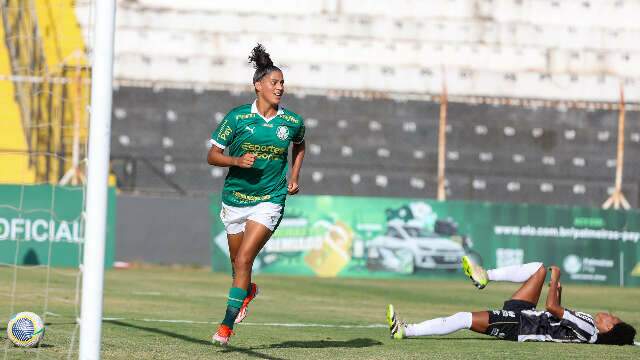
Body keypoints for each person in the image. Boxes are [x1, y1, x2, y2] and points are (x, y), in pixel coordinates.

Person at [207, 44, 306, 346]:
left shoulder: (291, 122)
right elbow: (213, 155)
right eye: (275, 82)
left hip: (269, 199)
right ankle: (247, 291)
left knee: (244, 260)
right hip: (235, 199)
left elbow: (300, 145)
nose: (280, 87)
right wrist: (236, 161)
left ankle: (225, 328)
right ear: (258, 86)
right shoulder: (237, 118)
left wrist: (294, 176)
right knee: (237, 262)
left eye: (282, 83)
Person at [387, 256, 636, 345]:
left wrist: (557, 278)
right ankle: (485, 276)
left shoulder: (589, 329)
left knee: (464, 318)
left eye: (613, 319)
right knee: (539, 269)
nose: (609, 315)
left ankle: (405, 331)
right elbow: (557, 315)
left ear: (609, 329)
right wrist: (555, 289)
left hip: (521, 325)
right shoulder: (589, 325)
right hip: (530, 315)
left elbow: (552, 308)